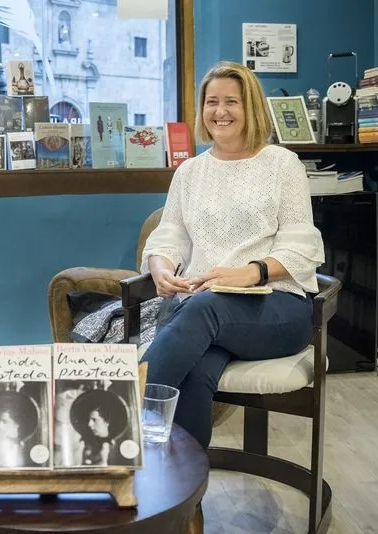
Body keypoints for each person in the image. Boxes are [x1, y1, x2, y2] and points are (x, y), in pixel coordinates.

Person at [139, 61, 324, 449]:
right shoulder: (189, 171)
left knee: (204, 309)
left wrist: (251, 272)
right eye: (211, 102)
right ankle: (184, 497)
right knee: (196, 371)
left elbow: (301, 246)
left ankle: (116, 417)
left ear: (251, 107)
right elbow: (169, 236)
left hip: (276, 308)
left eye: (231, 102)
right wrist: (160, 267)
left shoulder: (282, 164)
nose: (219, 111)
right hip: (199, 309)